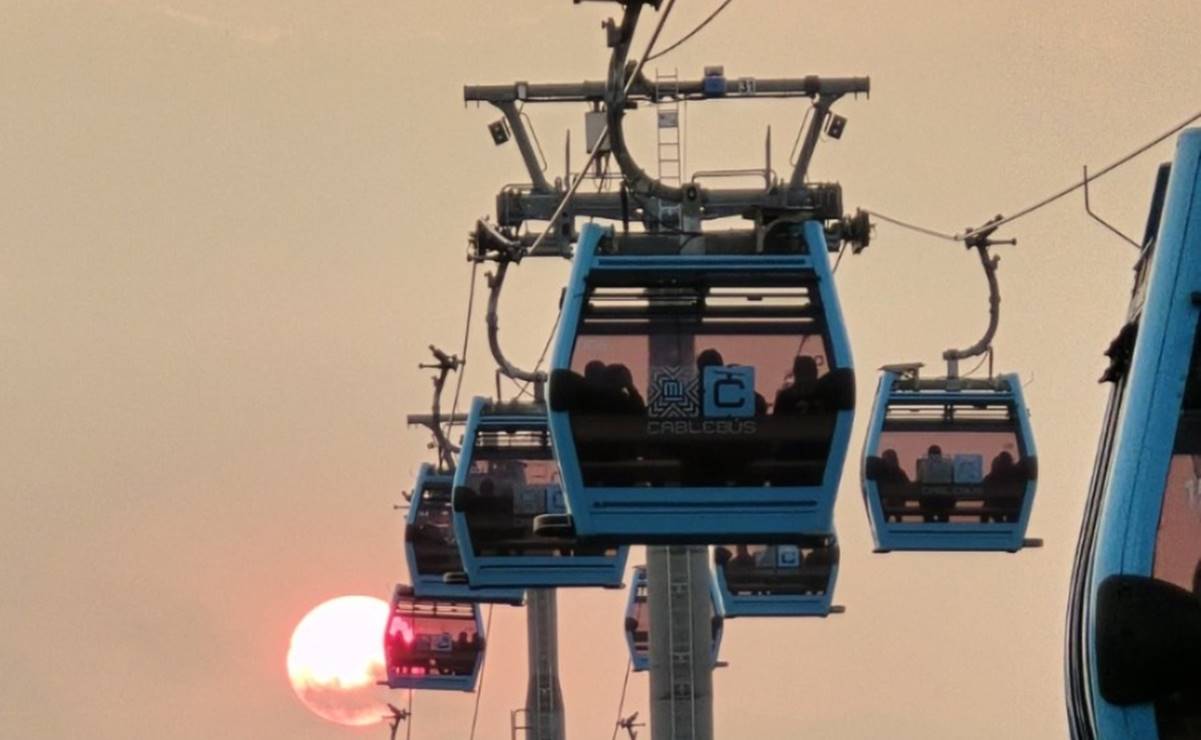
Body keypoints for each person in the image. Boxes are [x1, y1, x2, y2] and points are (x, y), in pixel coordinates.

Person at [982, 451, 1019, 523]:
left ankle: (984, 526)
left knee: (987, 504)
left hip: (995, 506)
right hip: (1011, 506)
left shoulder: (992, 476)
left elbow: (985, 488)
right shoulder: (1015, 474)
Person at [919, 445, 954, 522]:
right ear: (940, 454)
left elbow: (920, 480)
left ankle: (928, 525)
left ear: (928, 454)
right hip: (945, 502)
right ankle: (943, 525)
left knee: (925, 505)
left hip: (928, 502)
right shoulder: (949, 463)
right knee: (945, 508)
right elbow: (953, 479)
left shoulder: (923, 464)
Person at [877, 448, 911, 522]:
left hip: (886, 504)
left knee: (884, 505)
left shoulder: (881, 474)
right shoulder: (900, 473)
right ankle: (898, 521)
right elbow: (908, 486)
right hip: (899, 504)